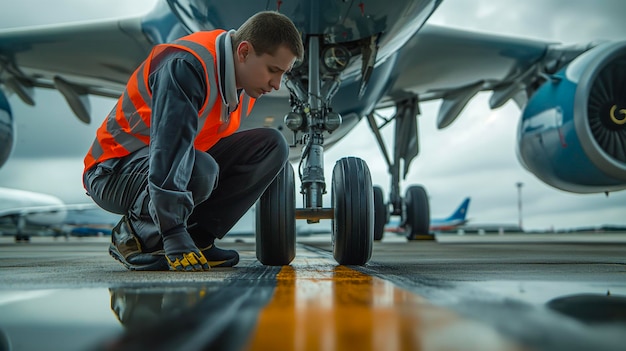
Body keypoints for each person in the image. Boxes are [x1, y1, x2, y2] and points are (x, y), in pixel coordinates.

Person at [82, 11, 304, 272]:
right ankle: (136, 234)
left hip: (165, 165)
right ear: (243, 52)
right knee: (201, 169)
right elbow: (170, 147)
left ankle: (198, 238)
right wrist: (174, 232)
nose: (277, 85)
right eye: (273, 70)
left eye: (283, 74)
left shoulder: (243, 84)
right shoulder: (188, 65)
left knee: (271, 146)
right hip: (112, 171)